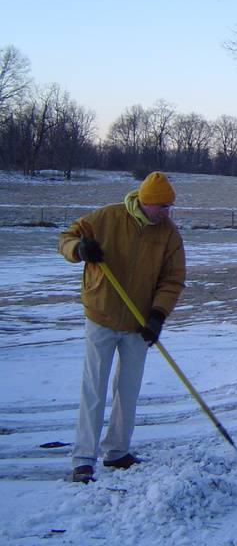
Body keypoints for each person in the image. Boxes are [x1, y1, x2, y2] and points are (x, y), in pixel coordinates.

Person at [58, 171, 186, 482]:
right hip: (101, 315)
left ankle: (117, 451)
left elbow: (173, 279)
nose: (167, 213)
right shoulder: (107, 218)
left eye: (169, 207)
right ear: (146, 201)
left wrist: (157, 316)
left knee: (128, 390)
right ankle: (83, 459)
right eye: (162, 207)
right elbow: (66, 238)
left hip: (139, 323)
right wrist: (80, 249)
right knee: (94, 388)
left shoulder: (168, 234)